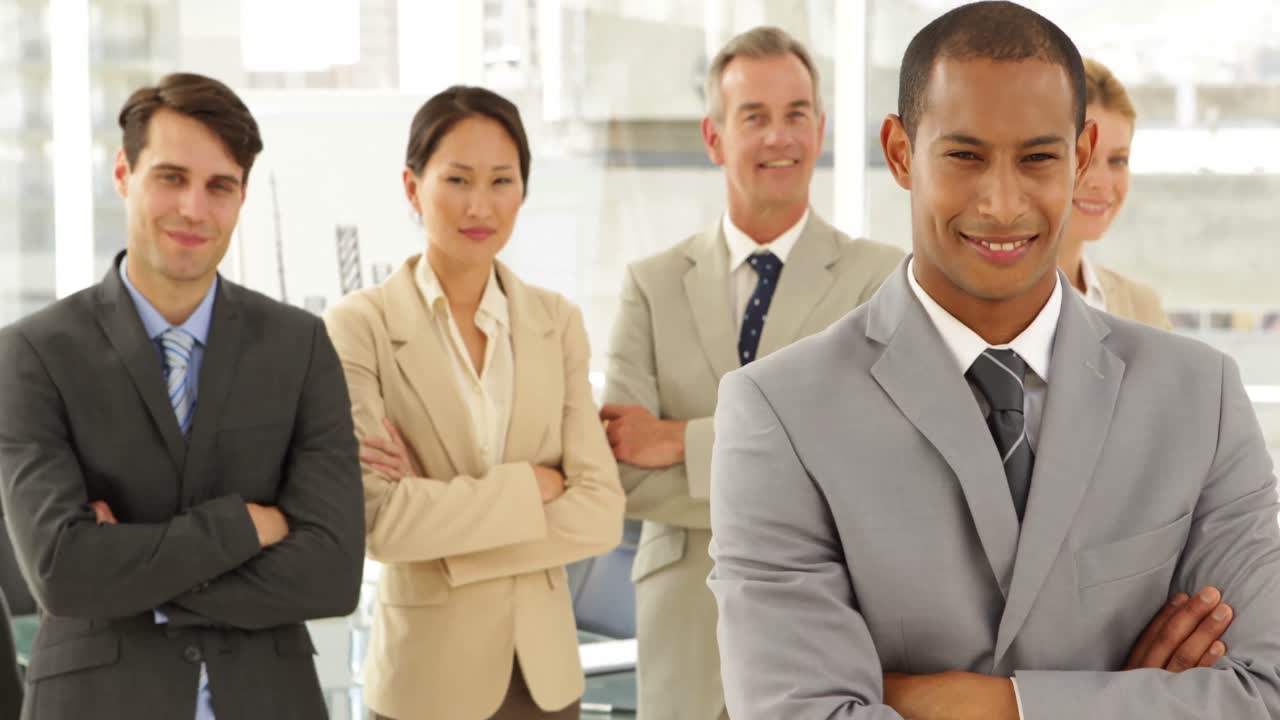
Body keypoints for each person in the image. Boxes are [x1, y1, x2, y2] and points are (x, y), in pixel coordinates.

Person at [707, 2, 1280, 718]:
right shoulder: (779, 413)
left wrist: (992, 705)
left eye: (1038, 157)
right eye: (965, 155)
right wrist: (1131, 699)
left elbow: (1264, 692)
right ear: (898, 153)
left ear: (1079, 156)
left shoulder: (1202, 397)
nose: (1003, 203)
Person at [0, 72, 365, 720]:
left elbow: (332, 572)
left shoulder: (299, 344)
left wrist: (131, 572)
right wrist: (250, 525)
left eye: (219, 186)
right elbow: (64, 573)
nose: (194, 209)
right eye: (171, 177)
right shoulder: (32, 354)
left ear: (242, 196)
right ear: (123, 173)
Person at [600, 25, 904, 720]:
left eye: (796, 114)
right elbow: (620, 474)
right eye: (754, 117)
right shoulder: (651, 285)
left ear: (821, 130)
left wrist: (681, 441)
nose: (780, 137)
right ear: (714, 138)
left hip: (823, 634)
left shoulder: (878, 280)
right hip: (684, 635)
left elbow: (870, 467)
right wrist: (795, 469)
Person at [324, 85, 624, 720]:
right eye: (457, 179)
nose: (480, 204)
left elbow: (600, 512)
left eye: (501, 180)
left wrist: (446, 531)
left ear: (523, 190)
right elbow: (379, 521)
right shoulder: (360, 326)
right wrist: (533, 486)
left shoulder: (556, 321)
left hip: (546, 681)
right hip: (423, 683)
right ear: (413, 187)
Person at [1057, 57, 1171, 328]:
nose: (1101, 182)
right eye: (1082, 157)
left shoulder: (1142, 307)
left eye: (1117, 160)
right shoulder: (989, 303)